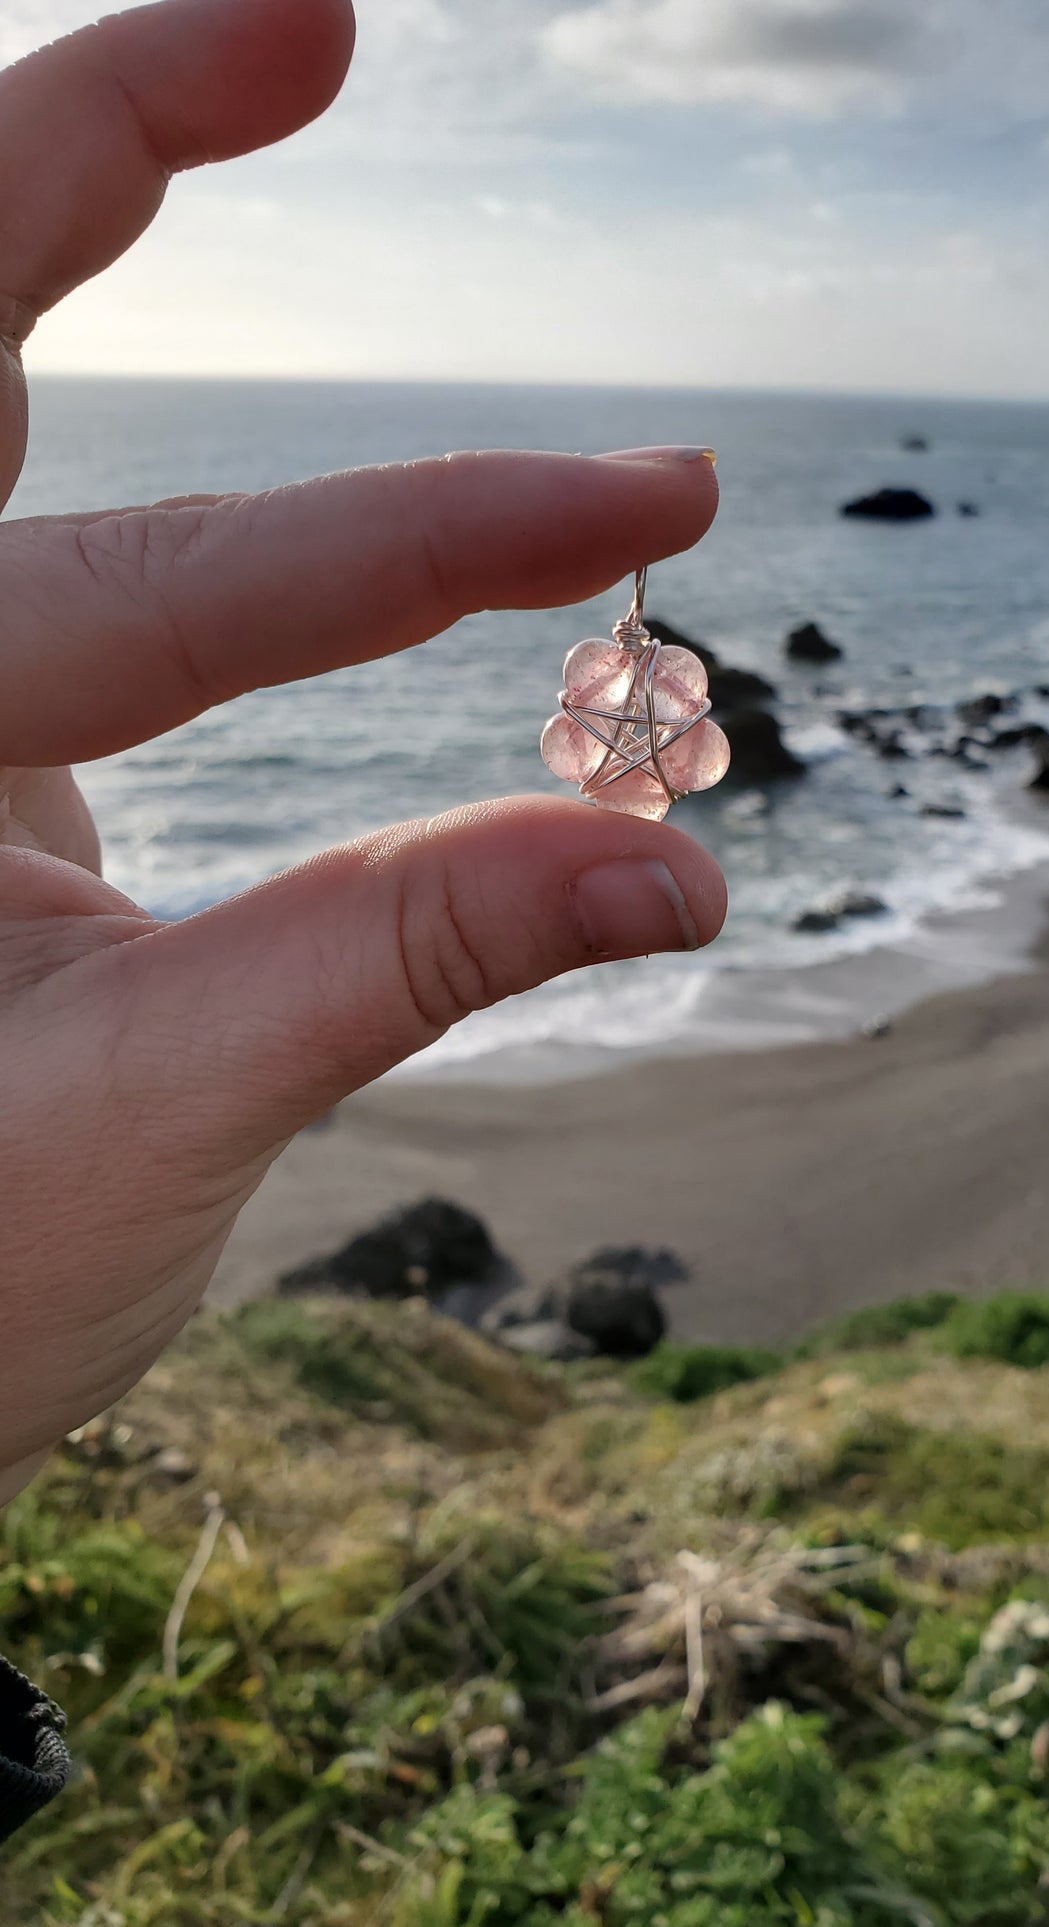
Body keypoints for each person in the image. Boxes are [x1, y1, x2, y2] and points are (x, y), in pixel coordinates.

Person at [0, 0, 726, 1836]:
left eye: (638, 705)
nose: (633, 715)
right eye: (627, 704)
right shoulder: (636, 700)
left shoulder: (627, 696)